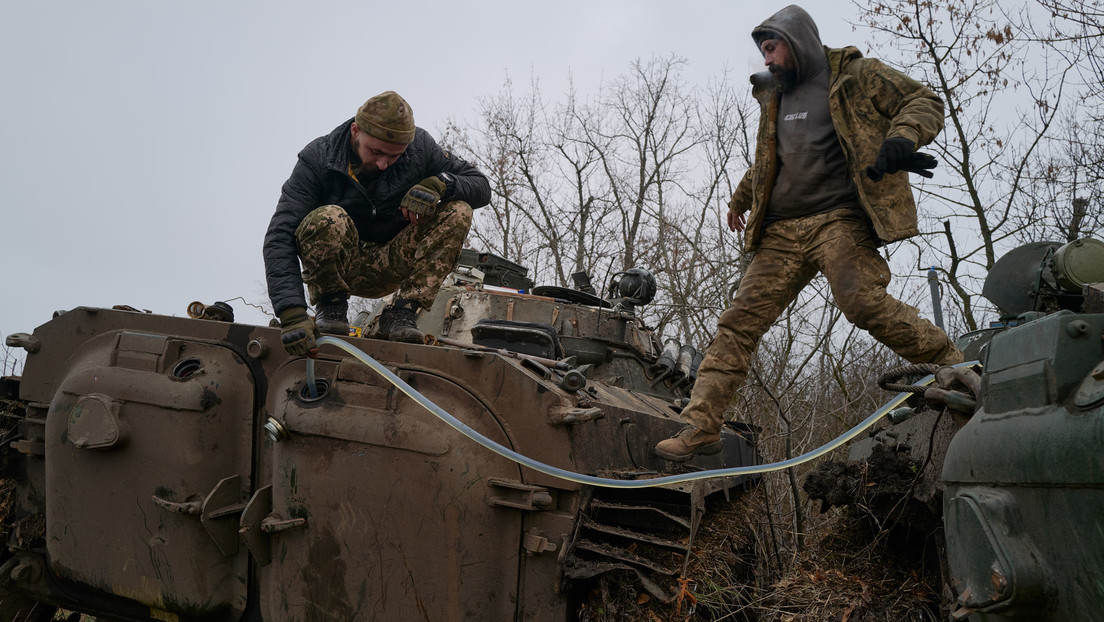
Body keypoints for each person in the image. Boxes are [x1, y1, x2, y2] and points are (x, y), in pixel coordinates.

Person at [655, 5, 964, 461]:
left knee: (860, 300)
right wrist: (741, 198)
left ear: (796, 40)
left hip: (837, 219)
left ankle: (954, 365)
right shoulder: (775, 95)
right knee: (737, 324)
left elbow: (924, 101)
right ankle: (700, 427)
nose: (767, 60)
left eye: (772, 48)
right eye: (762, 52)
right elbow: (772, 155)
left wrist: (902, 137)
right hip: (781, 231)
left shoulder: (857, 75)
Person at [263, 91, 491, 356]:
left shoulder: (422, 148)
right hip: (338, 266)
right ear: (356, 130)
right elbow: (280, 235)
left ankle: (401, 313)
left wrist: (442, 184)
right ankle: (331, 308)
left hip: (392, 260)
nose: (383, 164)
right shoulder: (318, 159)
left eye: (394, 157)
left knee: (459, 209)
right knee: (327, 217)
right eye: (376, 152)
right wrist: (291, 312)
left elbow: (481, 186)